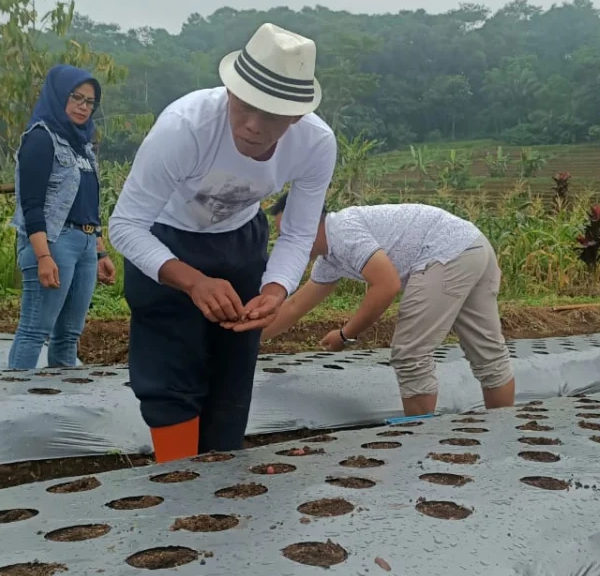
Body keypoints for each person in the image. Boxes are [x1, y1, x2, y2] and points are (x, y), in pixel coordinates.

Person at [108, 23, 336, 463]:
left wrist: (275, 290)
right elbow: (126, 226)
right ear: (230, 91)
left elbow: (299, 232)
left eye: (270, 115)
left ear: (295, 117)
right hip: (164, 240)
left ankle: (221, 485)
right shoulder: (185, 127)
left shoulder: (315, 144)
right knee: (170, 369)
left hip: (239, 243)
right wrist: (193, 282)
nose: (251, 125)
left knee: (233, 364)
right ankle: (176, 480)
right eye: (244, 106)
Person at [259, 196, 516, 416]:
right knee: (488, 353)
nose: (286, 242)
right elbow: (293, 307)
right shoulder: (330, 257)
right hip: (472, 245)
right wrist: (247, 341)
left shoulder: (343, 232)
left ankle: (419, 442)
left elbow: (386, 285)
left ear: (312, 223)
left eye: (289, 234)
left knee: (410, 355)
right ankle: (500, 434)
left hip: (445, 253)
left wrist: (345, 335)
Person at [7, 64, 116, 370]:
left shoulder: (82, 145)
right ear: (58, 96)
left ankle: (61, 412)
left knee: (68, 335)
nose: (83, 107)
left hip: (83, 244)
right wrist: (43, 256)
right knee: (34, 330)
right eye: (76, 98)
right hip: (53, 242)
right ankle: (15, 407)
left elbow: (86, 203)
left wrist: (100, 249)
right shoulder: (41, 139)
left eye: (89, 102)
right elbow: (31, 204)